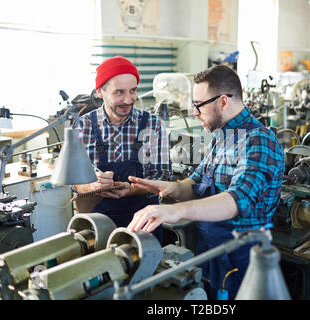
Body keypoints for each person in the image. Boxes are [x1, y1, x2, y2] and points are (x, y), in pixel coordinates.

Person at [127, 65, 285, 300]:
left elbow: (237, 200)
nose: (194, 112)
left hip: (244, 256)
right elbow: (198, 181)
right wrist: (173, 189)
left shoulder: (258, 140)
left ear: (223, 101)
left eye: (199, 105)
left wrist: (177, 210)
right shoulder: (220, 136)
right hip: (211, 249)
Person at [73, 56, 171, 244]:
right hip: (97, 227)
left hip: (144, 224)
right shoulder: (82, 126)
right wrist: (92, 187)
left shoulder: (152, 125)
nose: (128, 99)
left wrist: (132, 190)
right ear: (100, 92)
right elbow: (73, 181)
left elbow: (162, 177)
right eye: (119, 92)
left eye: (132, 91)